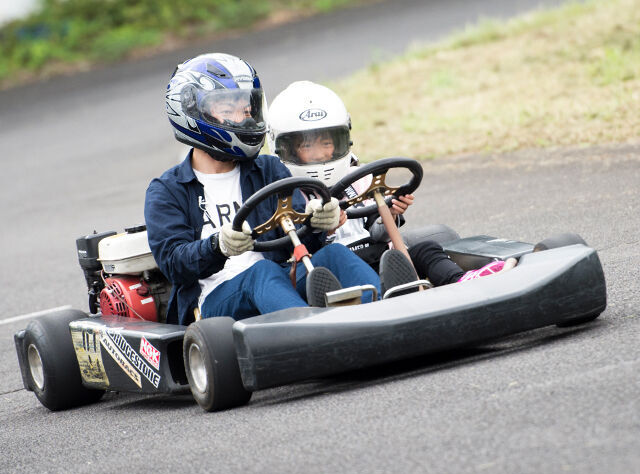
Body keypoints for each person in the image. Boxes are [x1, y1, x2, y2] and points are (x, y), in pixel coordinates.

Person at [144, 54, 381, 325]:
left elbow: (301, 239)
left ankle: (386, 317)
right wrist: (217, 246)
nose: (243, 118)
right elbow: (174, 265)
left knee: (334, 254)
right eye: (228, 108)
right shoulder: (167, 190)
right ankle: (313, 333)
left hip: (280, 282)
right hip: (215, 302)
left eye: (246, 108)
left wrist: (319, 224)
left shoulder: (268, 169)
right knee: (261, 271)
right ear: (190, 111)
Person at [267, 81, 513, 292]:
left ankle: (462, 282)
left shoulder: (357, 177)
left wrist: (392, 212)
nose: (320, 154)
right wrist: (327, 230)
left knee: (425, 248)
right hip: (333, 266)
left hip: (375, 254)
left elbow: (377, 233)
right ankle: (389, 297)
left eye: (326, 143)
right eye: (308, 146)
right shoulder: (286, 195)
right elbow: (292, 251)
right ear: (284, 146)